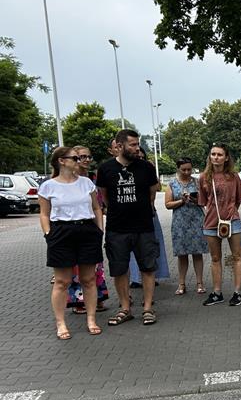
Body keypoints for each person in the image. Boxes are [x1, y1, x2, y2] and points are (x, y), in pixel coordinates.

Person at [38, 146, 105, 340]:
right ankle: (60, 323)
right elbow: (44, 213)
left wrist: (99, 229)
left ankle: (91, 319)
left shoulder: (86, 183)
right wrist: (48, 233)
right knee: (62, 281)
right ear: (61, 161)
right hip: (61, 232)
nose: (80, 161)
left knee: (89, 279)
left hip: (86, 230)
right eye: (76, 158)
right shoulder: (48, 186)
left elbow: (96, 207)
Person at [96, 129, 160, 326]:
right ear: (120, 145)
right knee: (119, 269)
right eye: (132, 144)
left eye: (137, 144)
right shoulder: (106, 169)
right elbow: (104, 196)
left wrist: (142, 210)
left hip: (143, 227)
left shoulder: (146, 167)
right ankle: (125, 308)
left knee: (148, 268)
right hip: (117, 228)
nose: (136, 148)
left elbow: (152, 193)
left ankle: (148, 308)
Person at [198, 143, 241, 306]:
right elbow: (204, 202)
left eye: (219, 155)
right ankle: (217, 292)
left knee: (237, 256)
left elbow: (239, 200)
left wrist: (230, 213)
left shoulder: (234, 177)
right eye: (213, 154)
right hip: (211, 223)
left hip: (233, 221)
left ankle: (237, 292)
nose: (216, 157)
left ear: (226, 158)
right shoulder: (204, 177)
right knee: (215, 257)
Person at [67, 145, 109, 315]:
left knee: (95, 265)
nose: (86, 160)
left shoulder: (92, 179)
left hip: (92, 228)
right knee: (77, 267)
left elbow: (99, 205)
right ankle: (78, 301)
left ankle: (97, 298)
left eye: (88, 157)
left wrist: (100, 228)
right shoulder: (68, 180)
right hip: (73, 229)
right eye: (81, 157)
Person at [164, 157, 207, 295]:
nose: (187, 172)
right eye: (184, 169)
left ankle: (200, 282)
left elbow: (205, 201)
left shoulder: (197, 182)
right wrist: (181, 201)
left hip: (196, 221)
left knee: (197, 253)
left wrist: (195, 199)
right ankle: (181, 284)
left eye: (189, 169)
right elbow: (167, 204)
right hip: (180, 223)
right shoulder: (171, 184)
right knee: (182, 255)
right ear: (178, 169)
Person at [128, 147, 170, 287]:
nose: (140, 159)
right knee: (132, 248)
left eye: (142, 157)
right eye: (137, 157)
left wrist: (151, 170)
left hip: (149, 213)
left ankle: (153, 276)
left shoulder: (148, 169)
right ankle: (135, 278)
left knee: (150, 246)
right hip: (130, 215)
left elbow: (157, 188)